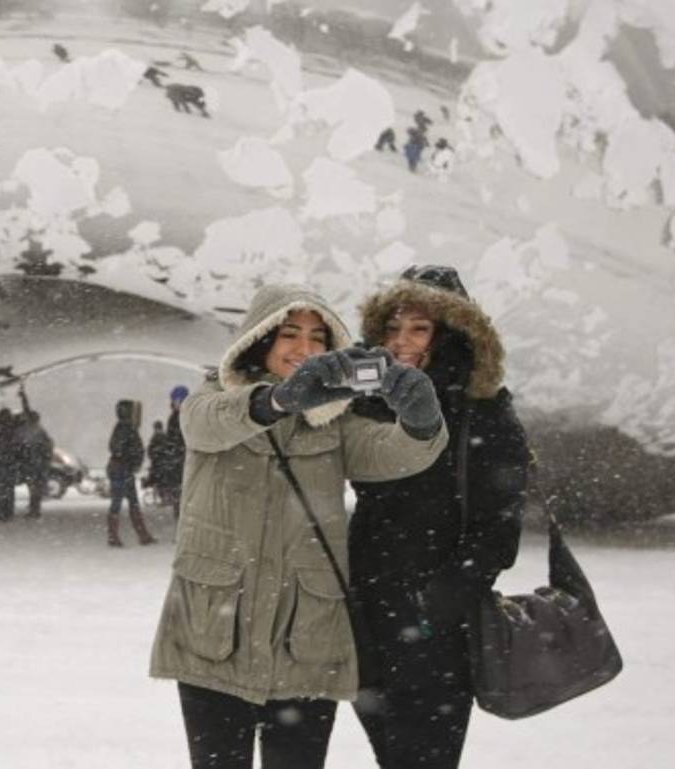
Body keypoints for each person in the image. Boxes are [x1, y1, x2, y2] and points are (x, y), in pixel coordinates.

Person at [149, 284, 449, 769]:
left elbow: (392, 453)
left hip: (308, 638)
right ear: (259, 340)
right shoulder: (212, 399)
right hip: (214, 634)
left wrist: (421, 422)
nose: (304, 349)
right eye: (289, 334)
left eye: (317, 338)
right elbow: (203, 426)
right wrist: (279, 401)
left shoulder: (335, 423)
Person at [348, 265, 529, 769]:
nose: (402, 341)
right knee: (392, 755)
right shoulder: (373, 403)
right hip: (365, 615)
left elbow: (499, 531)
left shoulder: (484, 411)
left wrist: (434, 608)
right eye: (392, 328)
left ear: (450, 333)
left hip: (436, 633)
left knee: (425, 759)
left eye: (419, 328)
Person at [106, 399, 156, 547]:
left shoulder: (123, 428)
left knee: (129, 502)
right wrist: (131, 459)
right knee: (121, 502)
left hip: (122, 469)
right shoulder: (125, 428)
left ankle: (140, 535)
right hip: (121, 469)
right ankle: (116, 536)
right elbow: (118, 449)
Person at [155, 385, 188, 518]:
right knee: (180, 498)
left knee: (183, 498)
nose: (176, 403)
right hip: (180, 464)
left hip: (182, 463)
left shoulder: (180, 417)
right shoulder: (176, 418)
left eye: (177, 400)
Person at [18, 409, 54, 518]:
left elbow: (27, 446)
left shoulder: (33, 431)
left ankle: (34, 509)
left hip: (34, 464)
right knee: (35, 487)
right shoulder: (39, 430)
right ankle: (35, 508)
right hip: (38, 464)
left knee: (34, 487)